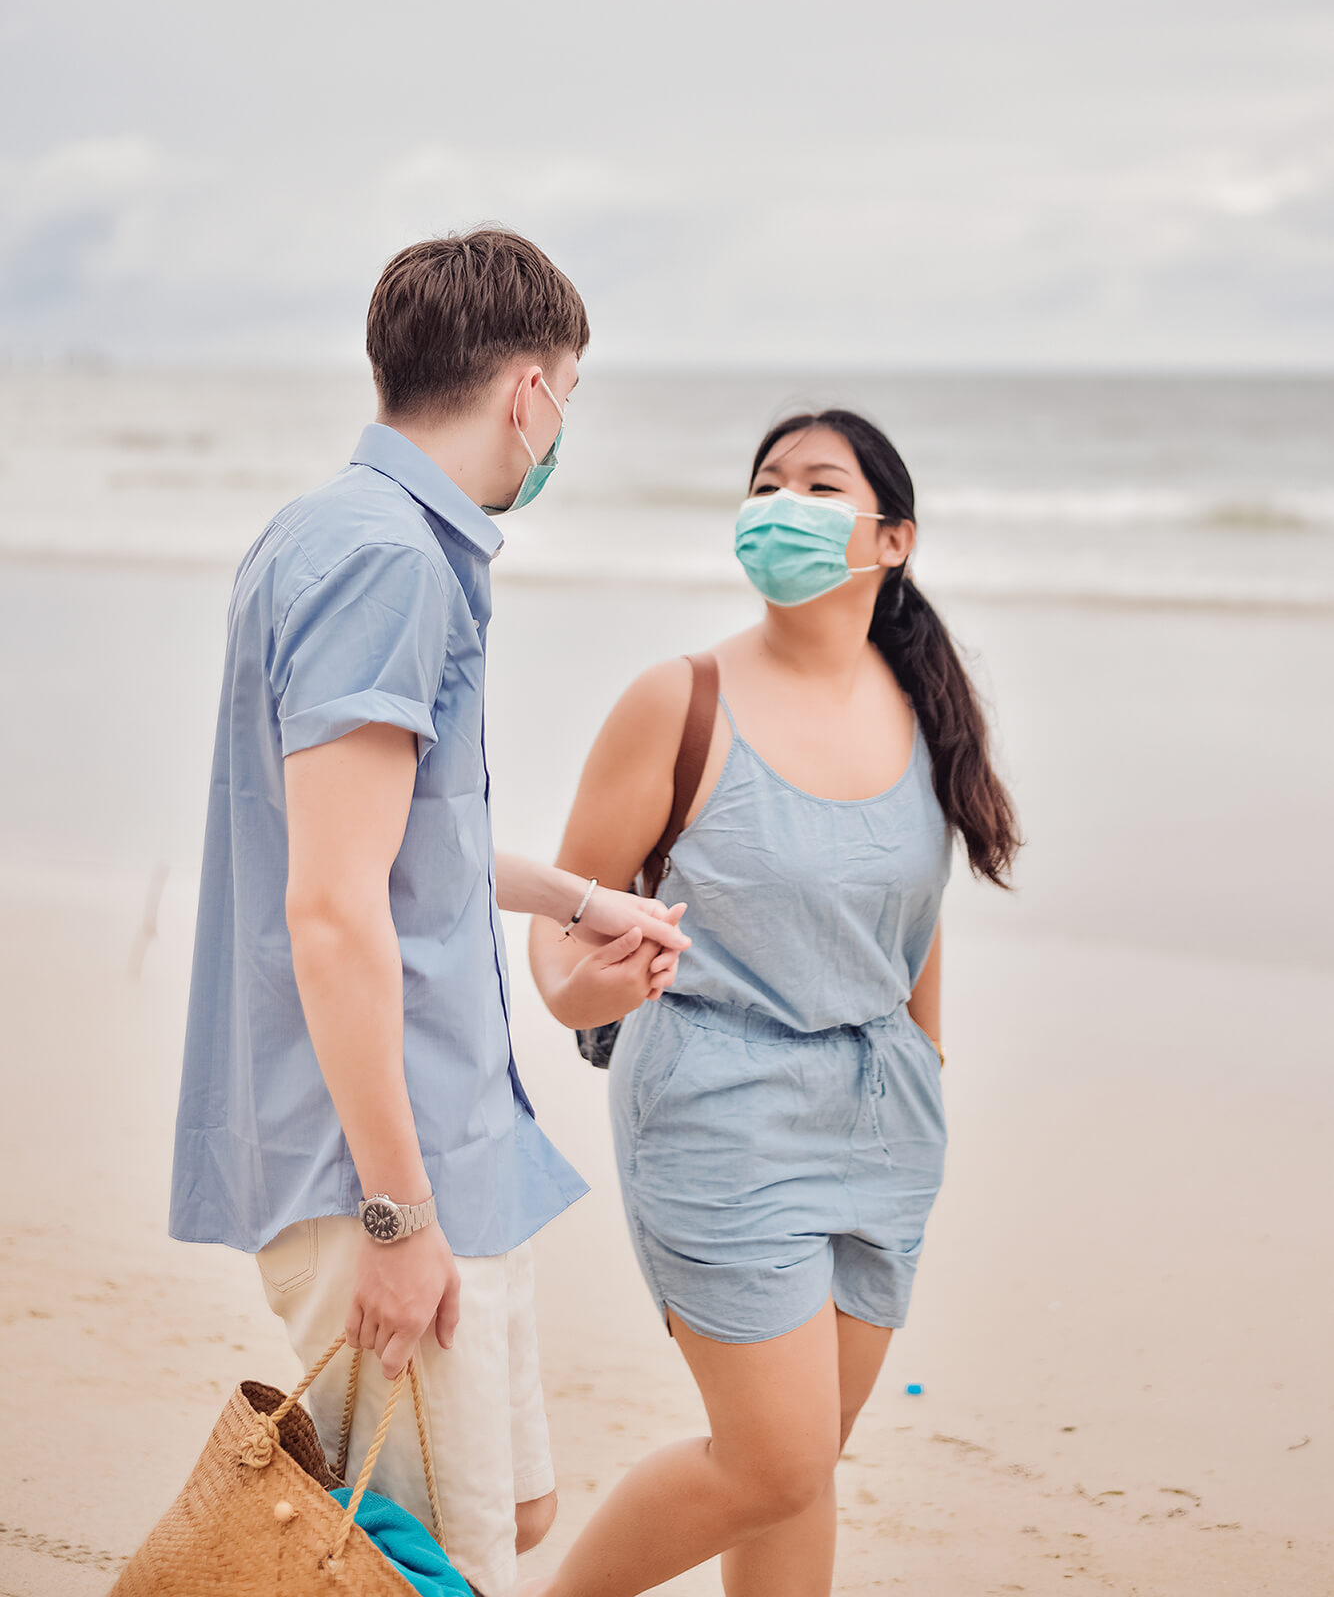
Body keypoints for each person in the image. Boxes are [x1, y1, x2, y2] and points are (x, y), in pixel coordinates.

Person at [169, 230, 687, 1597]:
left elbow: (402, 848)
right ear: (527, 390)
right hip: (381, 1171)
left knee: (502, 1521)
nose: (561, 424)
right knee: (426, 1571)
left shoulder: (345, 532)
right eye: (567, 391)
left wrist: (579, 897)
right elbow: (333, 910)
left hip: (444, 1136)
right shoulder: (384, 559)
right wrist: (397, 1219)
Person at [528, 407, 1019, 1597]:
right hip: (717, 1107)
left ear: (889, 538)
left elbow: (909, 912)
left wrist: (925, 1064)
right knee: (769, 1458)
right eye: (765, 484)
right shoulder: (679, 699)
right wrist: (573, 987)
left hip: (881, 1120)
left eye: (816, 483)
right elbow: (560, 912)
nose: (780, 504)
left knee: (804, 1469)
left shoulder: (921, 703)